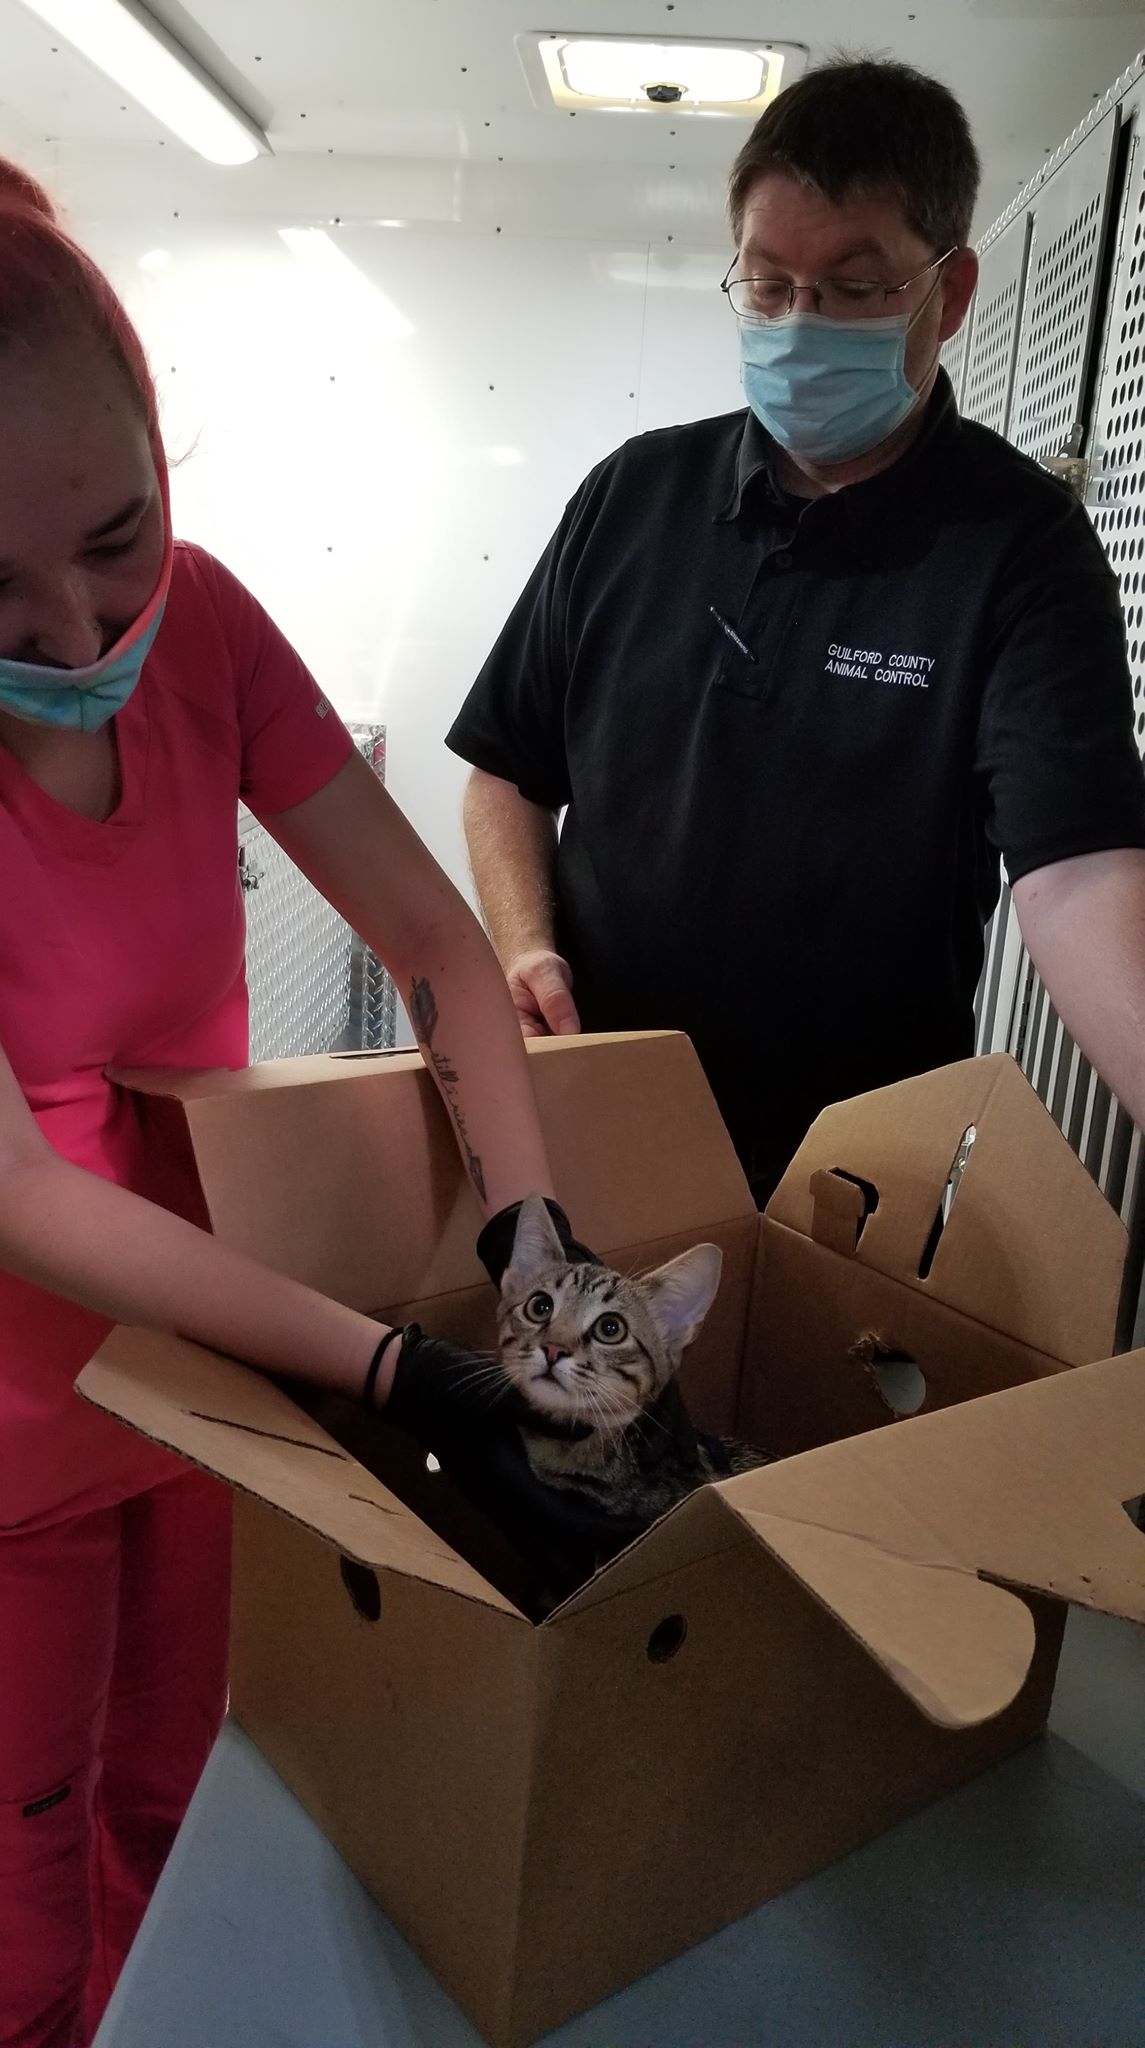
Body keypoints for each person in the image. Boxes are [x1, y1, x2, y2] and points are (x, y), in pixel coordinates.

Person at [0, 160, 601, 2048]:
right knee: (15, 1904)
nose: (87, 626)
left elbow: (431, 941)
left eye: (120, 537)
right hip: (17, 1432)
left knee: (184, 1811)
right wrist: (398, 1371)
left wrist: (531, 1237)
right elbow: (17, 1189)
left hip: (213, 1393)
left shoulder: (214, 632)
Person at [449, 56, 1145, 1204]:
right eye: (766, 286)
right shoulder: (634, 494)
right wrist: (525, 947)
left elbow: (1075, 877)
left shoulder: (1019, 546)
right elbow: (506, 773)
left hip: (847, 1173)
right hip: (590, 1119)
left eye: (852, 287)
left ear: (949, 292)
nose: (796, 324)